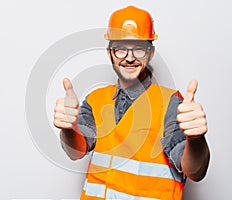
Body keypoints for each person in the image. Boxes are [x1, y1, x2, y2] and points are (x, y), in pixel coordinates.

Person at [54, 5, 210, 200]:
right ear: (109, 52)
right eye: (120, 49)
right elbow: (76, 152)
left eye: (138, 49)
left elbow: (195, 170)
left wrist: (196, 139)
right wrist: (68, 129)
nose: (129, 58)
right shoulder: (96, 99)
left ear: (150, 53)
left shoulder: (171, 104)